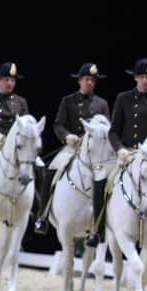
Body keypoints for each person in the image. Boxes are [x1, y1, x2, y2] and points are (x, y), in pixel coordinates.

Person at [86, 58, 147, 257]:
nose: (145, 81)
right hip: (128, 154)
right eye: (142, 77)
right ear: (135, 78)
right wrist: (119, 149)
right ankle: (98, 229)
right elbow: (113, 132)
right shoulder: (123, 99)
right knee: (102, 181)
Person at [33, 62, 110, 234]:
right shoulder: (68, 101)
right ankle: (42, 216)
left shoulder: (102, 104)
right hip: (72, 148)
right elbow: (58, 124)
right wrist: (67, 136)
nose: (90, 83)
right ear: (80, 80)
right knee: (51, 168)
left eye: (93, 81)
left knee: (105, 178)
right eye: (87, 79)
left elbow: (107, 128)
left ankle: (101, 222)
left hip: (93, 151)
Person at [0, 62, 29, 149]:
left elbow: (25, 126)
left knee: (37, 162)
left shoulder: (21, 102)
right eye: (6, 80)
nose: (10, 83)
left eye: (12, 80)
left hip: (15, 144)